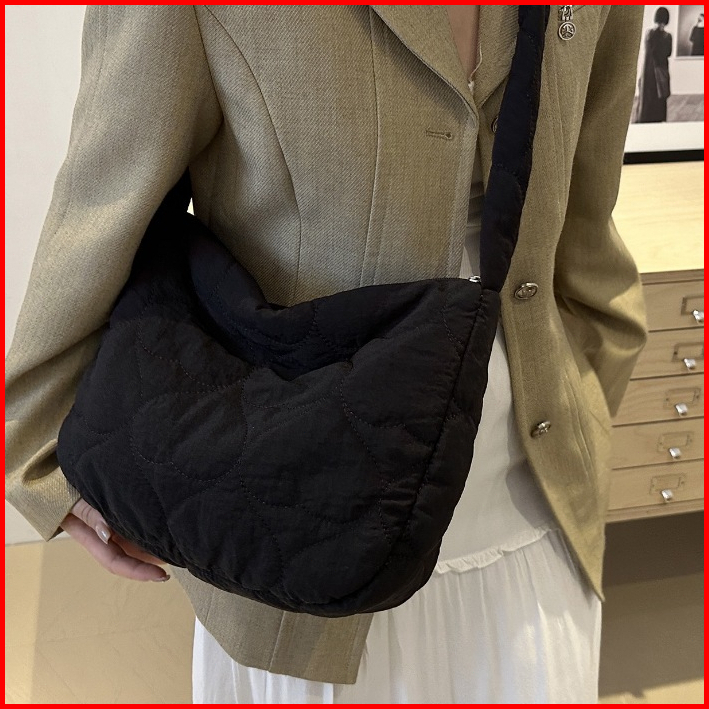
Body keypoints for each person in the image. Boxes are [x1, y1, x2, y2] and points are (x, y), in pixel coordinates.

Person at [6, 5, 649, 704]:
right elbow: (102, 204)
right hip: (297, 539)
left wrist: (589, 389)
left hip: (537, 518)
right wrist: (45, 456)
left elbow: (587, 216)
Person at [637, 6, 673, 123]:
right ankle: (659, 120)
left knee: (647, 97)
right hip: (660, 71)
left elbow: (649, 52)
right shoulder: (667, 36)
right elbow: (668, 53)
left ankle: (644, 119)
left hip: (648, 71)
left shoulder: (649, 34)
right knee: (660, 97)